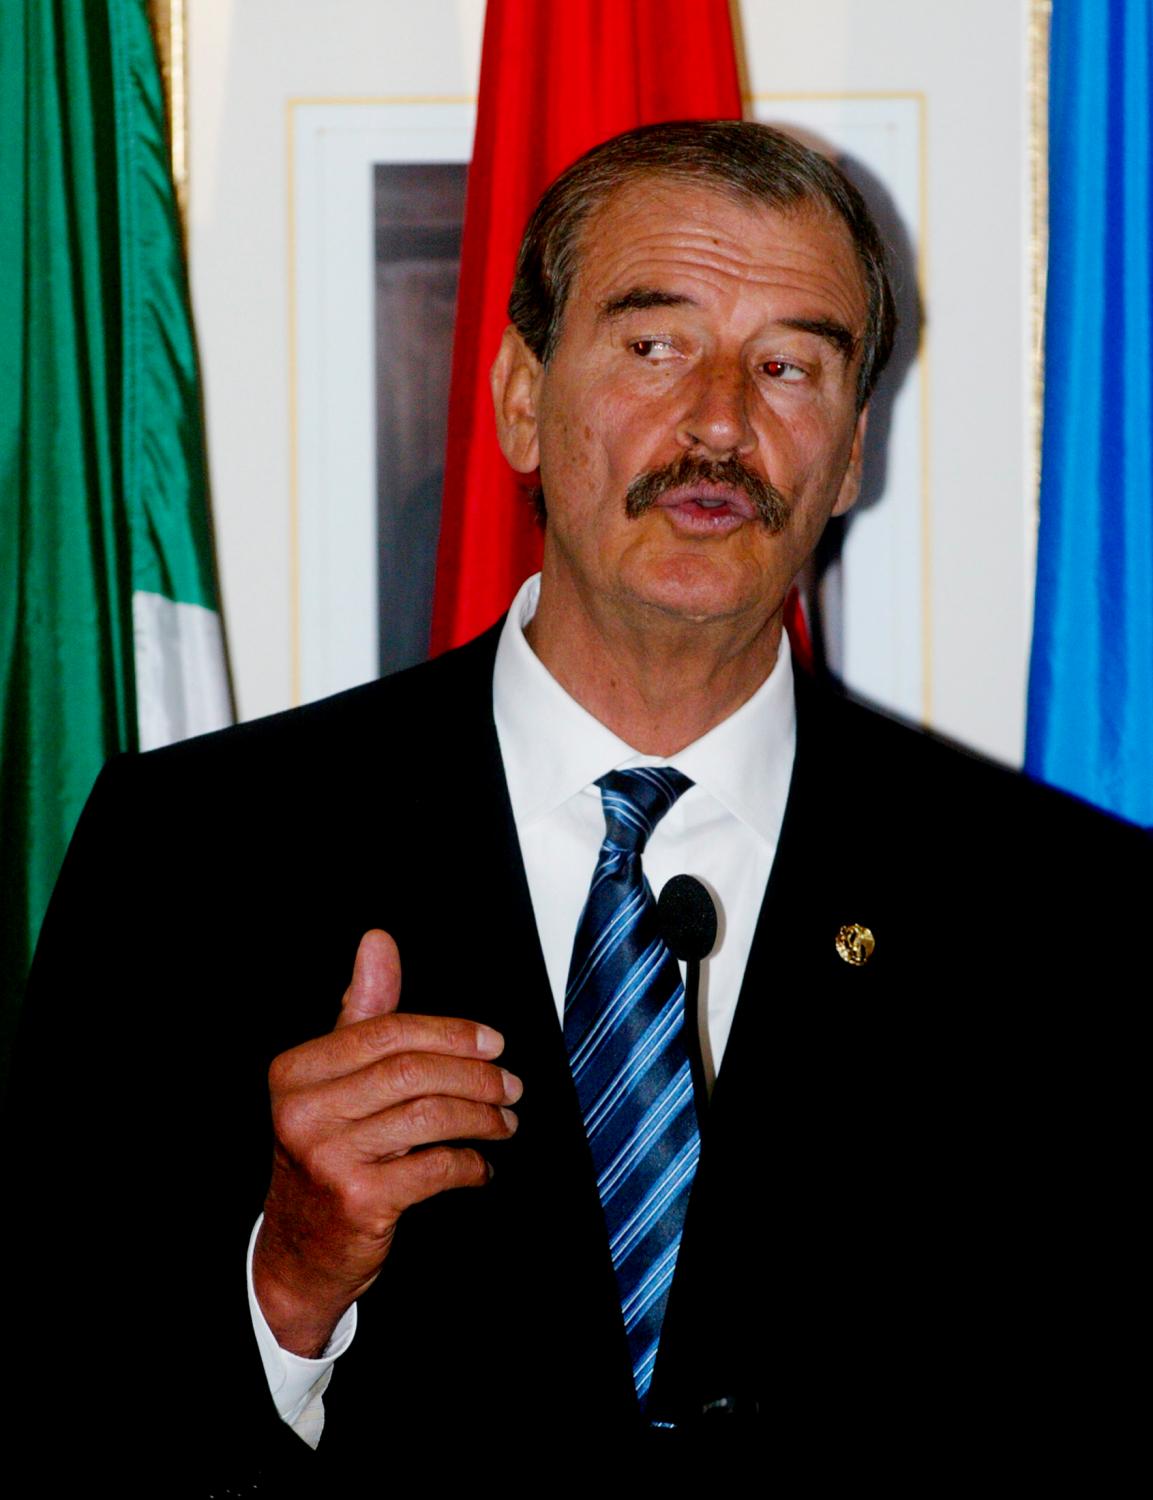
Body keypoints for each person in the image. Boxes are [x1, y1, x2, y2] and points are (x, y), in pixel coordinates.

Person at [6, 121, 1146, 1488]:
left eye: (790, 365)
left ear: (847, 458)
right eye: (654, 345)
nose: (720, 420)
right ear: (520, 401)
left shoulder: (1074, 915)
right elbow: (49, 1407)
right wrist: (289, 1280)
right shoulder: (193, 854)